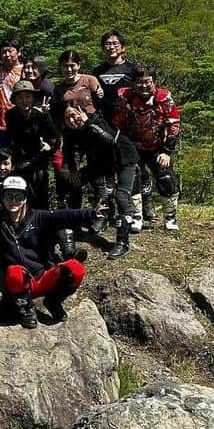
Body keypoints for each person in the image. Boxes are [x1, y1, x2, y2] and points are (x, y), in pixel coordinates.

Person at [0, 176, 103, 328]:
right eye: (9, 196)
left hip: (45, 276)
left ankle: (53, 301)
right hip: (22, 284)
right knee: (14, 272)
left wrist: (91, 213)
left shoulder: (38, 217)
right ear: (2, 198)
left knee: (76, 269)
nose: (13, 201)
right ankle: (27, 310)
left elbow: (63, 216)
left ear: (25, 199)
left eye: (18, 197)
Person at [58, 102, 139, 259]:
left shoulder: (97, 121)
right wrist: (73, 171)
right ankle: (74, 225)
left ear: (81, 111)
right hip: (102, 162)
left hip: (124, 156)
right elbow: (68, 153)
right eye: (68, 118)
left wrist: (88, 123)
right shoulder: (69, 132)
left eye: (75, 115)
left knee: (121, 196)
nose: (73, 120)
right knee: (71, 183)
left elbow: (109, 141)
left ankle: (122, 242)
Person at [114, 67, 182, 231]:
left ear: (153, 82)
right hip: (134, 146)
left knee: (165, 179)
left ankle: (170, 218)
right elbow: (119, 123)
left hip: (158, 146)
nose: (143, 86)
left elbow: (174, 124)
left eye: (147, 82)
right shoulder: (126, 97)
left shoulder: (163, 98)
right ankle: (137, 216)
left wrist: (167, 151)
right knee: (135, 179)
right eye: (139, 82)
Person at [4, 81, 58, 213]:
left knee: (40, 186)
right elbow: (12, 138)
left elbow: (54, 135)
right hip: (20, 159)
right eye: (20, 97)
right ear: (15, 100)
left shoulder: (40, 114)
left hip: (39, 158)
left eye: (28, 96)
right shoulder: (11, 115)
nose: (24, 101)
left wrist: (46, 116)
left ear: (33, 98)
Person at [92, 30, 138, 121]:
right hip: (104, 117)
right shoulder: (97, 71)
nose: (111, 47)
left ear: (123, 47)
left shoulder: (132, 69)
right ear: (103, 48)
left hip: (128, 116)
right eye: (108, 44)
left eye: (115, 43)